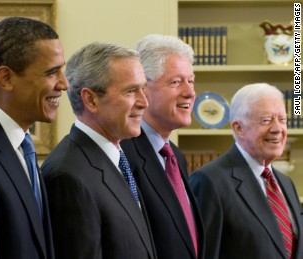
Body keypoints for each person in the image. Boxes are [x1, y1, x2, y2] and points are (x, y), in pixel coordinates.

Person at [0, 17, 67, 259]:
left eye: (62, 70)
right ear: (6, 78)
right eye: (52, 72)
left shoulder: (21, 146)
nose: (64, 84)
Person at [41, 41, 157, 259]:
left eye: (143, 89)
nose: (144, 102)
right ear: (91, 99)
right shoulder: (68, 176)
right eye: (131, 91)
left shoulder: (117, 157)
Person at [189, 83, 303, 259]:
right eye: (266, 120)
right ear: (238, 128)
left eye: (282, 119)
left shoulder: (286, 183)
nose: (277, 129)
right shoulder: (209, 181)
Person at [121, 34, 205, 259]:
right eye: (176, 82)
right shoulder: (124, 155)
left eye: (191, 80)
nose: (190, 92)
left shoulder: (174, 155)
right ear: (143, 89)